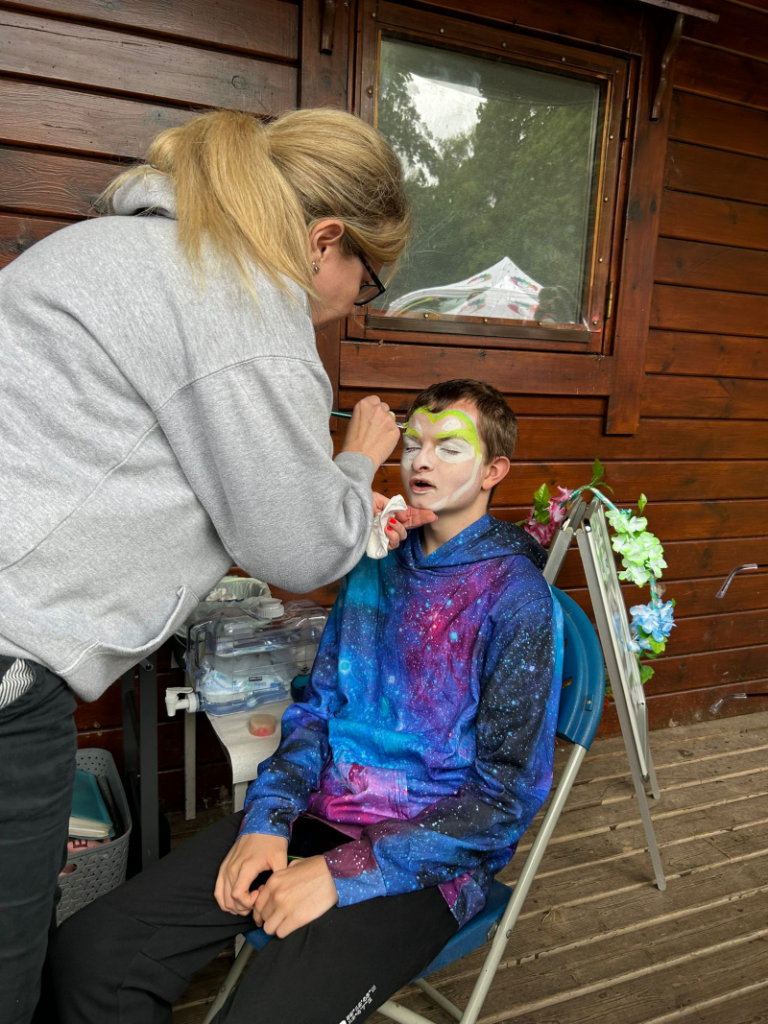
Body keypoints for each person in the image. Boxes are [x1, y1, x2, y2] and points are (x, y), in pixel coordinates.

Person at [0, 107, 427, 1024]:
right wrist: (355, 463)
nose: (358, 302)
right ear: (325, 241)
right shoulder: (240, 302)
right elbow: (301, 544)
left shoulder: (104, 249)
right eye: (370, 281)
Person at [50, 378, 564, 1024]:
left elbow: (505, 795)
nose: (421, 460)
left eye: (449, 447)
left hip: (427, 862)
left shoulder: (515, 598)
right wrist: (268, 817)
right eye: (412, 443)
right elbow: (318, 707)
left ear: (494, 471)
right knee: (94, 953)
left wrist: (345, 871)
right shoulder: (377, 558)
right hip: (312, 814)